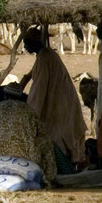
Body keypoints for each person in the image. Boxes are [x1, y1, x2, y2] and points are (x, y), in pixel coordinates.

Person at [23, 26, 86, 168]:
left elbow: (39, 89)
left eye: (27, 43)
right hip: (61, 102)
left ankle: (63, 170)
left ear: (34, 43)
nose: (25, 47)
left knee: (58, 138)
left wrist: (29, 113)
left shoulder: (44, 57)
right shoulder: (46, 55)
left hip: (60, 105)